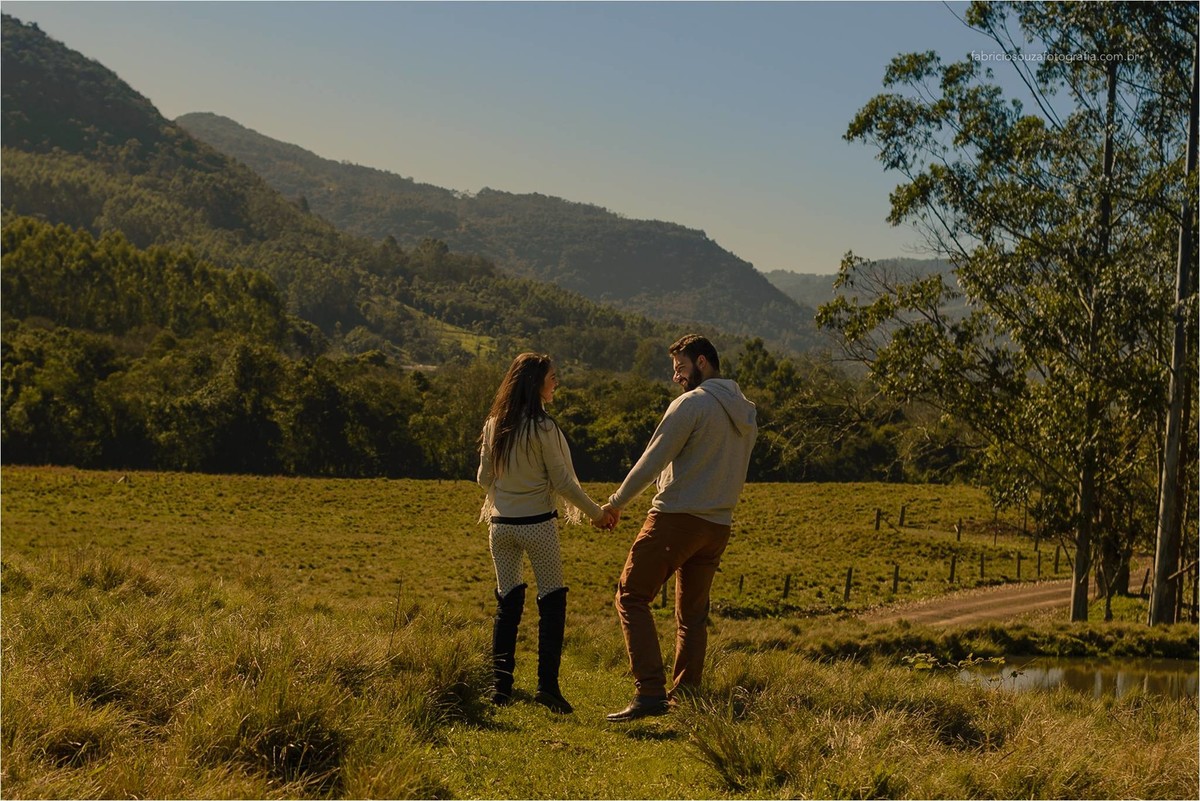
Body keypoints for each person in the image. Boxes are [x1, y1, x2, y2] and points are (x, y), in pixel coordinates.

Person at [601, 334, 757, 722]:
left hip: (677, 518)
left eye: (681, 368)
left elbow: (652, 460)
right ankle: (686, 695)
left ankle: (650, 691)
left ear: (702, 363)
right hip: (718, 524)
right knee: (692, 615)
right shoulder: (746, 412)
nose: (676, 377)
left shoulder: (691, 405)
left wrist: (616, 503)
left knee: (631, 595)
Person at [477, 353, 615, 714]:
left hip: (500, 526)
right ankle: (547, 687)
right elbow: (563, 482)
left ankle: (500, 687)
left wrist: (506, 490)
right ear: (537, 382)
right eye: (553, 377)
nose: (557, 383)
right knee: (552, 603)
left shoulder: (494, 424)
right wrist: (597, 514)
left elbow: (482, 478)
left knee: (507, 605)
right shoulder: (543, 428)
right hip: (538, 526)